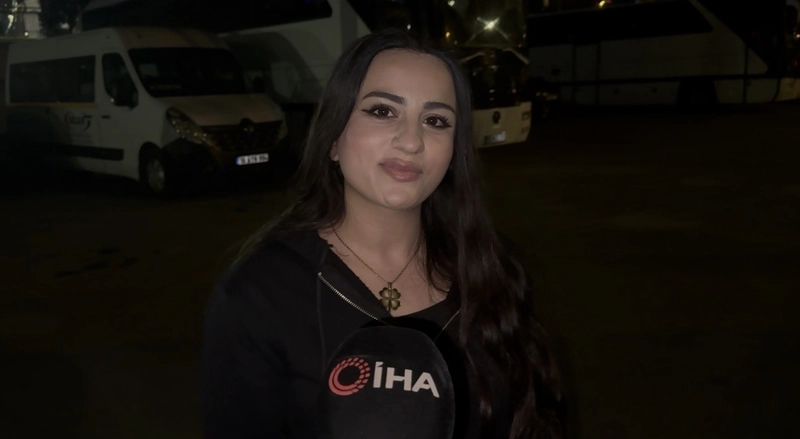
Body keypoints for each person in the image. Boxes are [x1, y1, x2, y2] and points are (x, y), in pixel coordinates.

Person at [201, 27, 564, 439]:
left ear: (453, 153)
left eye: (435, 120)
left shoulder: (494, 272)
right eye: (382, 111)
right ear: (333, 138)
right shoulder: (257, 296)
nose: (411, 141)